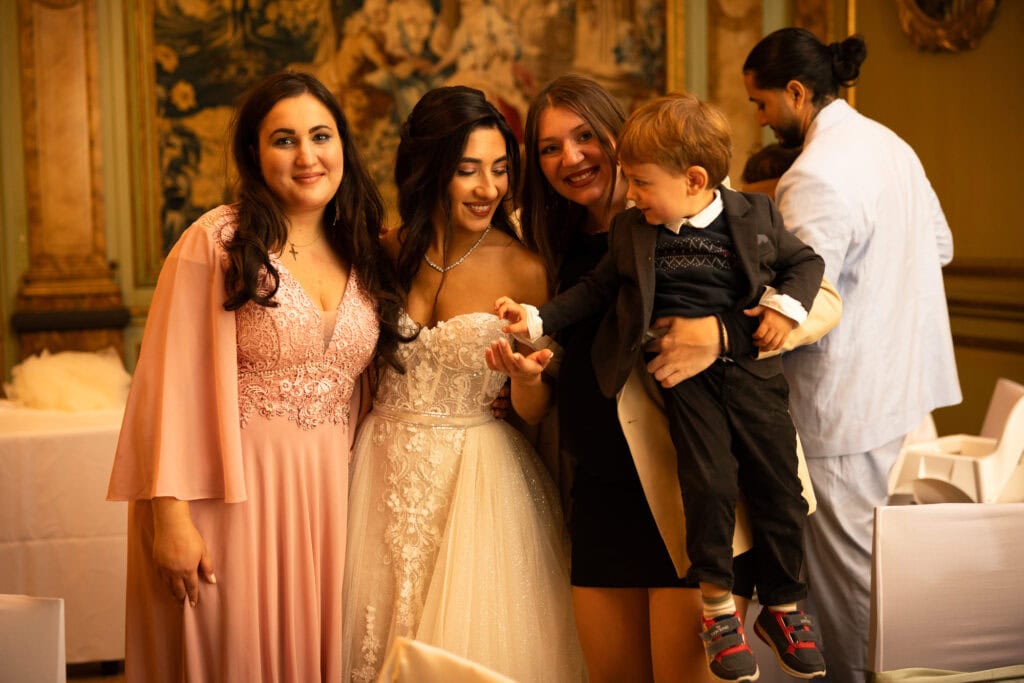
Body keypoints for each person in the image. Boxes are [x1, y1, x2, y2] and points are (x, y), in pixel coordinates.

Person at [518, 74, 839, 683]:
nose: (571, 157)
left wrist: (720, 334)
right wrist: (529, 368)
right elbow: (556, 358)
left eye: (585, 136)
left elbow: (821, 297)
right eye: (550, 147)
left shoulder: (708, 206)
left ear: (616, 137)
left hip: (690, 488)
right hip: (599, 493)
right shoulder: (541, 239)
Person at [106, 71, 404, 682]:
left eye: (320, 136)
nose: (307, 156)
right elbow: (168, 386)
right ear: (254, 153)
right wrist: (170, 518)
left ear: (343, 144)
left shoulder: (363, 248)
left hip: (328, 497)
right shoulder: (217, 242)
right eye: (284, 140)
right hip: (227, 495)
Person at [341, 85, 585, 683]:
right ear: (429, 168)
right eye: (468, 170)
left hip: (476, 480)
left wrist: (525, 380)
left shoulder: (525, 266)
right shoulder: (384, 251)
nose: (488, 188)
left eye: (500, 169)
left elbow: (536, 409)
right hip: (378, 468)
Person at [743, 28, 961, 683]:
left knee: (851, 592)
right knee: (884, 577)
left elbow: (801, 304)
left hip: (843, 408)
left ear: (796, 92)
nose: (761, 118)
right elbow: (941, 246)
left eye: (760, 103)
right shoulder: (891, 145)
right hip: (904, 393)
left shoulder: (813, 174)